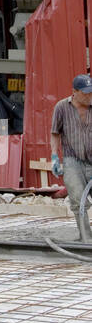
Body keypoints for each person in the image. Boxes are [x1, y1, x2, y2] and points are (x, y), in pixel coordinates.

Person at [51, 76, 92, 241]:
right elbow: (55, 133)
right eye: (86, 93)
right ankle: (86, 238)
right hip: (72, 160)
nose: (90, 96)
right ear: (74, 92)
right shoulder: (61, 107)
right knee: (77, 199)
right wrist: (54, 156)